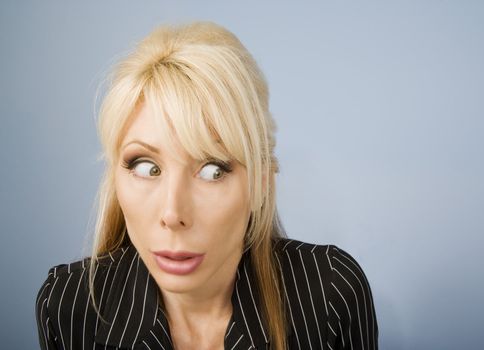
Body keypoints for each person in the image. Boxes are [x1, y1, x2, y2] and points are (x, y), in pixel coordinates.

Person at [35, 21, 378, 350]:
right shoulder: (66, 306)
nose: (173, 214)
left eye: (213, 170)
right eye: (145, 167)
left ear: (260, 183)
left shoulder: (331, 293)